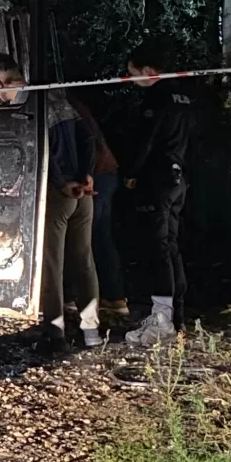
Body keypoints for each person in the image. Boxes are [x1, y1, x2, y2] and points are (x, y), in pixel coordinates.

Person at [0, 55, 102, 352]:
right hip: (83, 193)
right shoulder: (57, 99)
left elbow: (40, 152)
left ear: (2, 83)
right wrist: (87, 175)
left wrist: (61, 183)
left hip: (56, 195)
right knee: (84, 261)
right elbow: (87, 138)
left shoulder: (26, 110)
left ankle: (55, 333)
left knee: (50, 265)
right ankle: (92, 330)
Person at [122, 41, 194, 346]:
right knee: (171, 246)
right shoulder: (184, 96)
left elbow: (146, 140)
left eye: (133, 74)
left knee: (157, 249)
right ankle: (176, 316)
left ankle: (162, 320)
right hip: (179, 178)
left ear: (149, 71)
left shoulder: (156, 98)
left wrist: (131, 173)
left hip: (158, 180)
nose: (131, 80)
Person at [70, 96, 128, 316]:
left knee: (81, 240)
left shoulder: (62, 107)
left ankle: (73, 298)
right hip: (106, 174)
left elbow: (86, 143)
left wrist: (85, 176)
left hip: (96, 176)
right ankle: (115, 297)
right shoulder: (75, 105)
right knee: (101, 238)